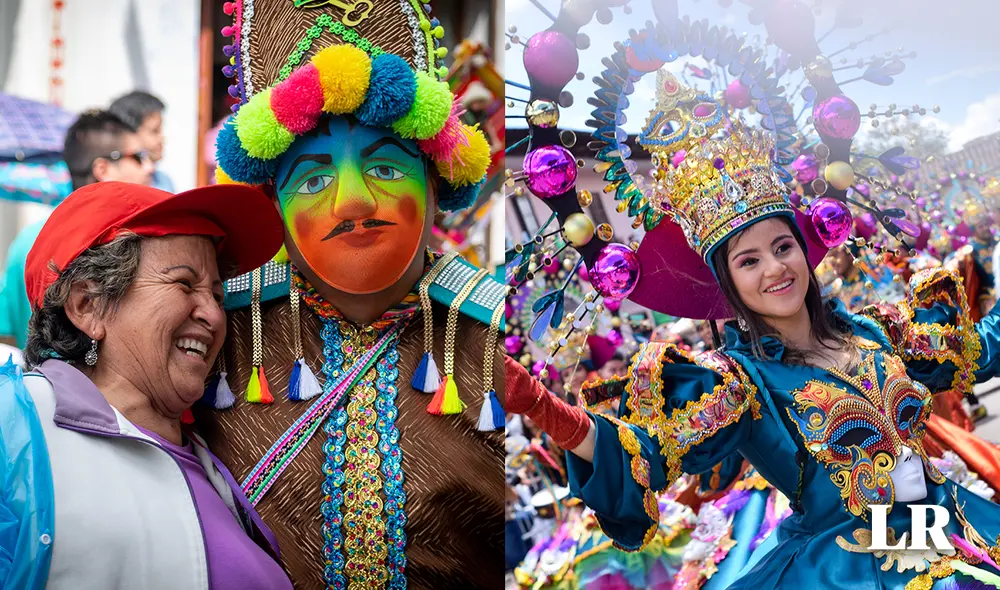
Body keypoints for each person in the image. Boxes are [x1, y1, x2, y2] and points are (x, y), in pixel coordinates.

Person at [506, 76, 1000, 589]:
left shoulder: (878, 332)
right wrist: (544, 408)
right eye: (749, 260)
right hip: (851, 564)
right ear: (728, 283)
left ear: (803, 251)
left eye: (783, 247)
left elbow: (978, 350)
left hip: (946, 525)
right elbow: (643, 453)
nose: (774, 269)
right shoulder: (739, 383)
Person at [194, 3, 506, 588]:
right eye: (313, 180)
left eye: (386, 168)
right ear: (275, 209)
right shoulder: (216, 335)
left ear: (436, 182)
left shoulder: (498, 332)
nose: (352, 202)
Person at [0, 181, 291, 589]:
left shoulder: (211, 462)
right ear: (89, 306)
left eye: (217, 295)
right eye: (184, 284)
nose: (214, 315)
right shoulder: (15, 427)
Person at [0, 110, 153, 349]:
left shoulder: (26, 240)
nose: (149, 167)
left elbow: (6, 335)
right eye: (138, 157)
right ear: (103, 169)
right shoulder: (115, 243)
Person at [109, 90, 173, 191]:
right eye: (154, 131)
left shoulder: (163, 182)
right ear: (129, 134)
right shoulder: (114, 184)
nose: (162, 138)